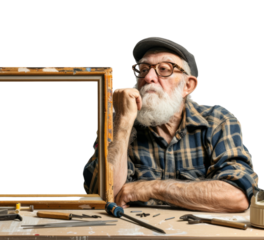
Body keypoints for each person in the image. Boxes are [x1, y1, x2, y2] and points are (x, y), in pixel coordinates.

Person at [82, 35, 260, 213]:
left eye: (164, 69)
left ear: (188, 86)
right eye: (143, 69)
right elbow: (102, 198)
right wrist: (122, 122)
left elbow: (239, 196)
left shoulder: (217, 120)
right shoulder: (118, 120)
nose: (149, 77)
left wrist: (152, 188)